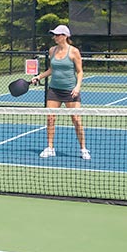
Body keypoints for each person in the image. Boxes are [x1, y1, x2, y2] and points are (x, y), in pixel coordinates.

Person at [32, 25, 91, 160]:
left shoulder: (74, 51)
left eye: (57, 35)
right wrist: (39, 77)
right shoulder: (52, 50)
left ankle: (83, 149)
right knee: (50, 118)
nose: (55, 37)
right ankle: (50, 148)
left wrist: (77, 87)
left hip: (70, 91)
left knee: (76, 119)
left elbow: (80, 71)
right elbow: (51, 69)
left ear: (65, 36)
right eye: (54, 35)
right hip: (54, 90)